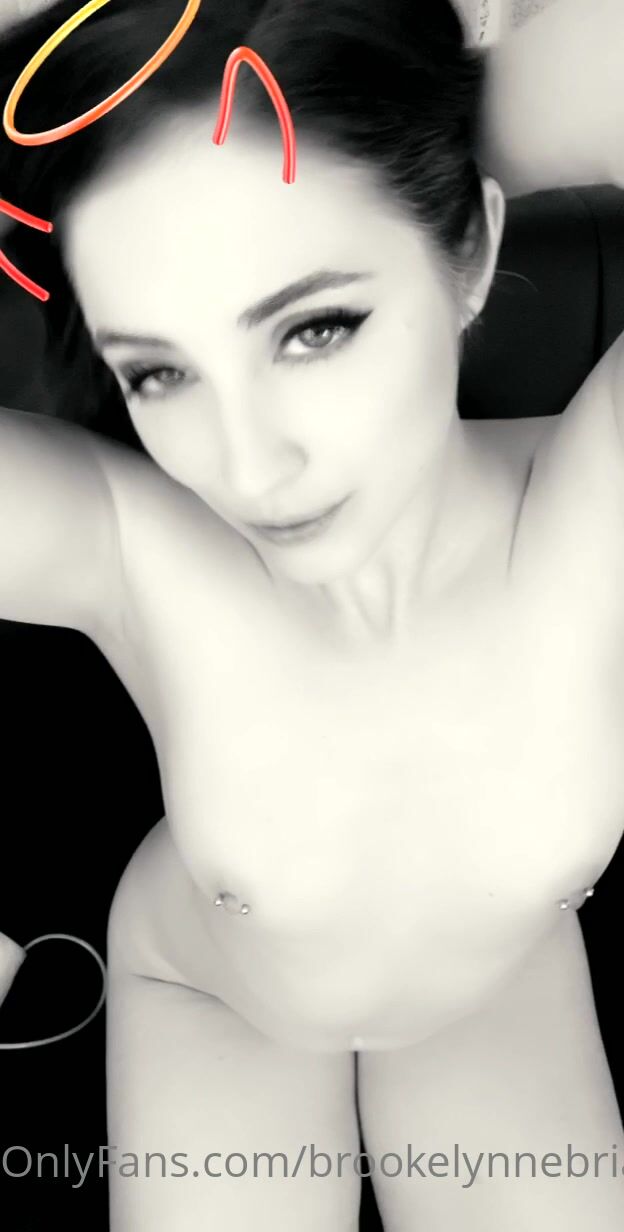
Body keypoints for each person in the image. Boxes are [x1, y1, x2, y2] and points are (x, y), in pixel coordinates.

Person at [1, 0, 623, 1227]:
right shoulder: (132, 545)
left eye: (314, 328)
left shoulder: (598, 497)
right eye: (158, 372)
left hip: (494, 994)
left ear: (471, 253)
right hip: (217, 996)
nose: (246, 464)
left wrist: (451, 105)